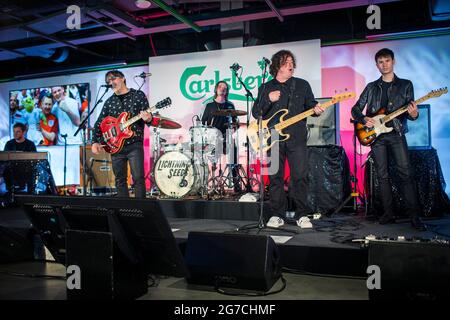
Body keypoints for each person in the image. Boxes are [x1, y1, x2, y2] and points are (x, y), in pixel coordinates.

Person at [351, 48, 425, 231]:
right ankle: (388, 213)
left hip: (396, 134)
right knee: (382, 176)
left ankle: (414, 216)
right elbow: (355, 109)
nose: (384, 64)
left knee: (405, 174)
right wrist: (363, 119)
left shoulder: (406, 85)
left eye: (387, 61)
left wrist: (414, 114)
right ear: (377, 65)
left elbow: (411, 113)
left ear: (393, 62)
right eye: (380, 62)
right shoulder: (371, 87)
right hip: (376, 137)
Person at [252, 49, 324, 228]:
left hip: (297, 137)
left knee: (300, 176)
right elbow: (256, 113)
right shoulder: (266, 87)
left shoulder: (302, 85)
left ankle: (302, 215)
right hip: (273, 137)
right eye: (286, 62)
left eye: (292, 62)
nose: (290, 65)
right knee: (275, 177)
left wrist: (316, 110)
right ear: (277, 66)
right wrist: (268, 99)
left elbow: (310, 105)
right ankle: (277, 215)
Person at [91, 70, 153, 198]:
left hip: (134, 144)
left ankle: (141, 211)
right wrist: (95, 141)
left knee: (138, 179)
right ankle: (124, 210)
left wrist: (148, 118)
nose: (111, 82)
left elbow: (149, 120)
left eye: (113, 79)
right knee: (120, 180)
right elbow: (98, 123)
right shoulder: (109, 102)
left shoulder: (138, 95)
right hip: (115, 146)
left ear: (123, 78)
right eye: (108, 81)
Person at [201, 80, 241, 192]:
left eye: (225, 88)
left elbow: (235, 122)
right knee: (211, 159)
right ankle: (211, 184)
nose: (222, 89)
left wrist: (234, 128)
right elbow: (203, 123)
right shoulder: (209, 106)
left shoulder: (230, 105)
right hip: (213, 138)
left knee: (233, 152)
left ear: (226, 91)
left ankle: (236, 183)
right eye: (220, 87)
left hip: (227, 136)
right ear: (216, 89)